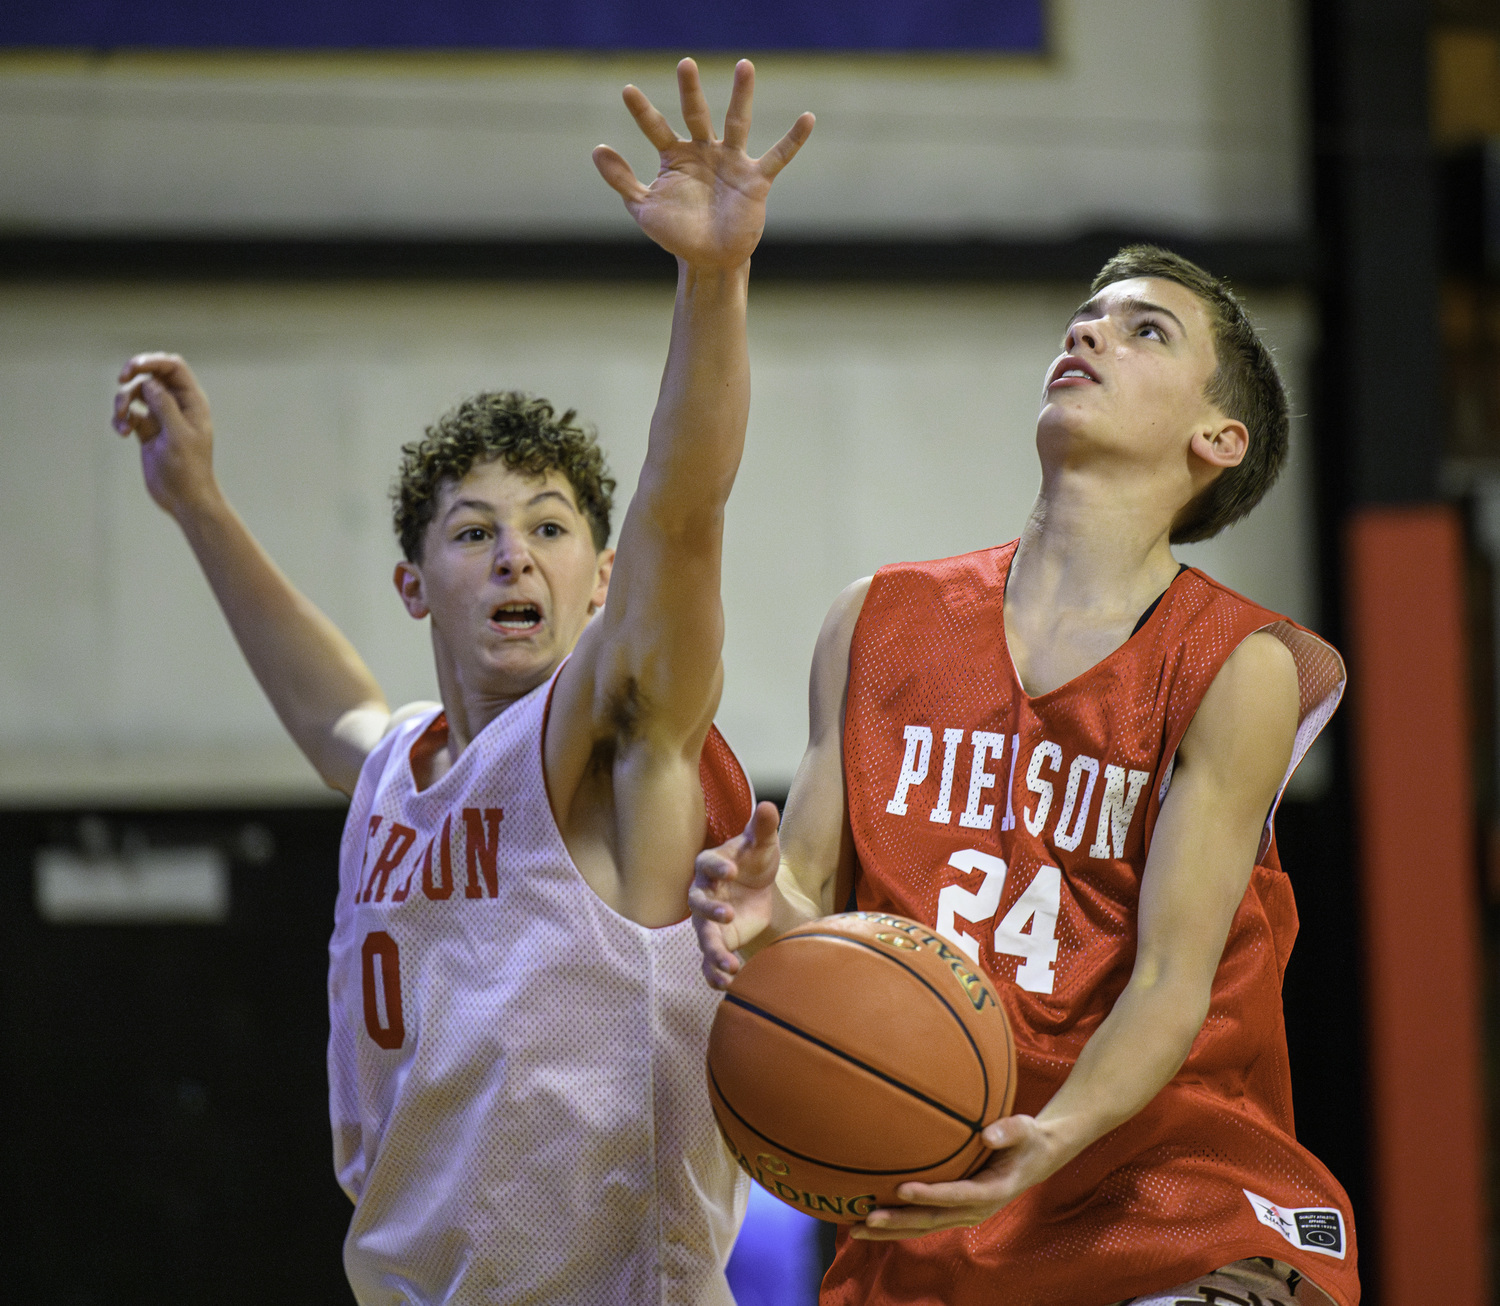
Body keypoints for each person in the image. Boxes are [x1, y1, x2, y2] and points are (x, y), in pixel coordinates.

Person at [111, 59, 812, 1305]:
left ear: (600, 583)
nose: (513, 554)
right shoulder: (404, 770)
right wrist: (200, 504)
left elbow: (686, 512)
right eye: (474, 529)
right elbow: (333, 708)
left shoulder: (626, 741)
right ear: (414, 581)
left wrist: (715, 282)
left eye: (549, 528)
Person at [690, 246, 1359, 1306]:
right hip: (931, 1187)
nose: (1087, 333)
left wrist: (1046, 1138)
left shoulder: (1239, 665)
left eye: (1146, 329)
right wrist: (754, 915)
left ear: (1217, 439)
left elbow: (1171, 979)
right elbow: (807, 898)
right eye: (1085, 317)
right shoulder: (878, 617)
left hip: (1165, 1189)